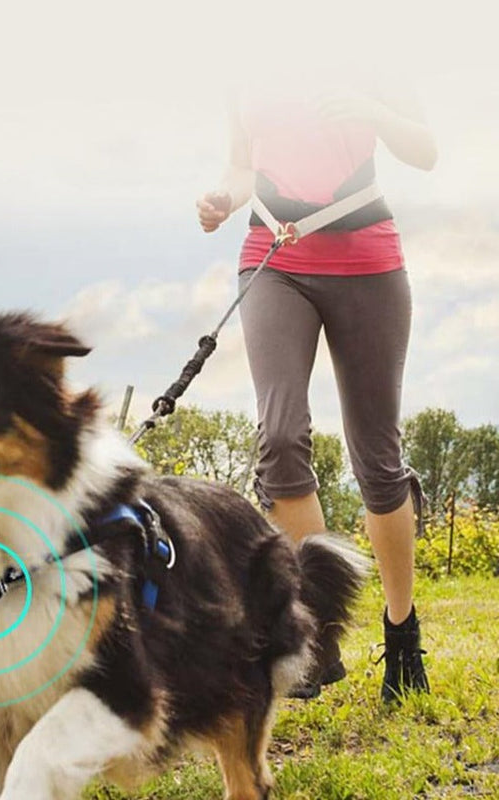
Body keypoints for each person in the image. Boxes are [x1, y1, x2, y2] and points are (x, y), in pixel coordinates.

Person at [197, 75, 437, 702]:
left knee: (377, 461)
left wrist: (374, 108)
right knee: (278, 438)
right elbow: (242, 162)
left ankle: (401, 628)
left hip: (368, 262)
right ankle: (317, 634)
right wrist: (225, 193)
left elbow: (425, 150)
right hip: (275, 255)